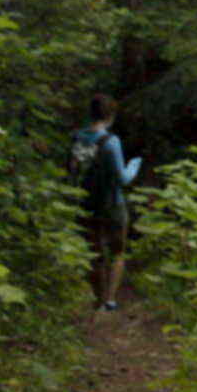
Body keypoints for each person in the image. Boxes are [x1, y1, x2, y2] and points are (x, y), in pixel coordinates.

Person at [72, 93, 141, 311]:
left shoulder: (77, 138)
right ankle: (109, 301)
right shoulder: (111, 141)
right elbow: (122, 178)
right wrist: (134, 166)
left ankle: (97, 298)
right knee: (117, 252)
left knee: (95, 253)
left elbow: (74, 170)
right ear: (110, 115)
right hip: (113, 204)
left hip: (87, 203)